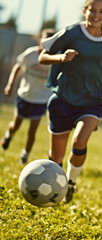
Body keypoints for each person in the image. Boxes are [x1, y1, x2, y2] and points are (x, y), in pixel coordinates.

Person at [38, 0, 102, 203]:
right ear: (84, 11)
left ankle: (70, 184)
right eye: (92, 10)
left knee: (79, 141)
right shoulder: (71, 33)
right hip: (64, 99)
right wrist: (61, 58)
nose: (96, 15)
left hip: (93, 102)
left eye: (101, 11)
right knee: (55, 157)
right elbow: (43, 57)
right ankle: (55, 186)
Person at [1, 29, 55, 164]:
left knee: (32, 131)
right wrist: (10, 84)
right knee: (16, 125)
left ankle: (24, 156)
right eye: (45, 41)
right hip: (25, 95)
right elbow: (18, 67)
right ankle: (8, 136)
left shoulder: (56, 59)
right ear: (39, 41)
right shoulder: (30, 54)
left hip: (41, 99)